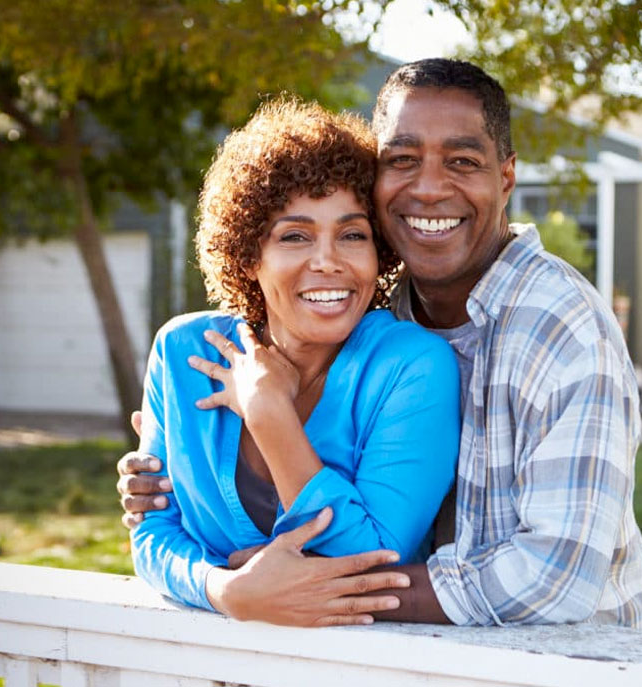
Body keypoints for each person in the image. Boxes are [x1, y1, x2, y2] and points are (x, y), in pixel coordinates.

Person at [118, 59, 642, 629]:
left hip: (579, 657)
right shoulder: (388, 308)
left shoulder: (562, 330)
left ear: (506, 178)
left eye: (462, 161)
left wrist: (302, 588)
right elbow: (157, 526)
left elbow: (557, 578)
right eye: (401, 160)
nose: (427, 188)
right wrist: (226, 588)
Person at [129, 96, 461, 622]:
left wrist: (267, 411)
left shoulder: (412, 367)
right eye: (295, 236)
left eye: (353, 234)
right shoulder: (182, 353)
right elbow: (151, 530)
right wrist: (225, 589)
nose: (328, 261)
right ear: (248, 255)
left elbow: (371, 562)